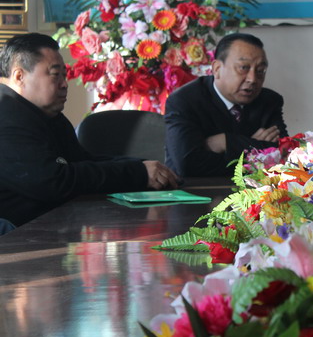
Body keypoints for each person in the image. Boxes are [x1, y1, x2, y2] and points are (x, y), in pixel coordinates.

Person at [0, 33, 179, 228]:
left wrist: (144, 167)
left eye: (64, 75)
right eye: (55, 74)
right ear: (19, 76)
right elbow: (55, 182)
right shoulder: (6, 117)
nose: (64, 84)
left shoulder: (44, 115)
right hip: (18, 238)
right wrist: (138, 173)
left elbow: (81, 161)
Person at [165, 32, 287, 177]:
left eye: (260, 71)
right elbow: (188, 165)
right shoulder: (185, 100)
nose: (253, 79)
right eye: (243, 68)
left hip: (255, 189)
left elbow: (285, 155)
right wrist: (254, 148)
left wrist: (225, 142)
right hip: (196, 189)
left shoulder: (269, 101)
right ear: (217, 69)